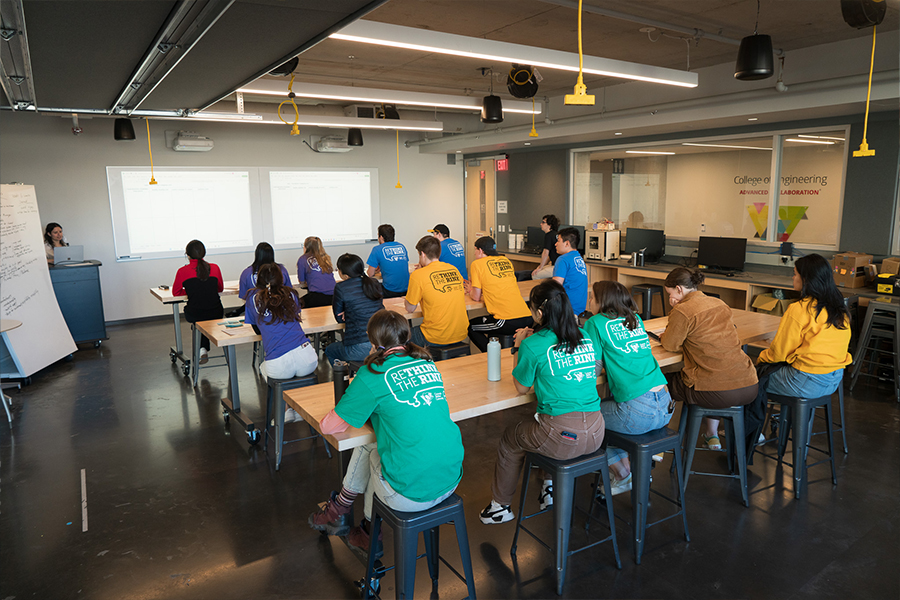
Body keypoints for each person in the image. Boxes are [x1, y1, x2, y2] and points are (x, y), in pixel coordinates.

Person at [308, 310, 464, 555]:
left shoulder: (372, 374)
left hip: (411, 493)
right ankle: (345, 512)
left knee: (371, 449)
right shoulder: (426, 362)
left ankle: (365, 528)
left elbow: (329, 426)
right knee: (382, 443)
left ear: (372, 342)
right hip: (451, 478)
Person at [480, 279, 605, 524]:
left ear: (539, 313)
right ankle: (548, 486)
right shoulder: (585, 336)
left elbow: (521, 387)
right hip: (597, 431)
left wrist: (518, 346)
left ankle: (500, 507)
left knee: (512, 436)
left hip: (562, 437)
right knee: (542, 421)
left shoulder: (533, 344)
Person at [584, 281, 673, 495]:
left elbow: (594, 367)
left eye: (592, 297)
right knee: (610, 412)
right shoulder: (636, 319)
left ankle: (622, 473)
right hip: (665, 406)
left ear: (602, 301)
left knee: (585, 419)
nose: (589, 300)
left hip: (637, 412)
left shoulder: (595, 322)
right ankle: (627, 470)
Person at [660, 267, 758, 450]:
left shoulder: (682, 310)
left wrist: (669, 325)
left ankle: (660, 439)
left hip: (716, 392)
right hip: (749, 386)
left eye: (669, 293)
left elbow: (670, 345)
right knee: (714, 371)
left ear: (679, 289)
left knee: (661, 382)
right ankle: (711, 434)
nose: (669, 297)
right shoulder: (719, 303)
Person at [757, 253, 852, 400]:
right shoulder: (839, 308)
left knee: (748, 380)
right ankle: (790, 421)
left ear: (806, 279)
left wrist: (760, 358)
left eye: (795, 274)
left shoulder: (799, 309)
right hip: (833, 380)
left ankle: (745, 423)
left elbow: (779, 353)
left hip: (806, 382)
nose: (793, 278)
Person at [245, 263, 317, 423]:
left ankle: (286, 411)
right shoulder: (291, 294)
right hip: (307, 357)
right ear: (281, 277)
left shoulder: (252, 298)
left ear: (259, 279)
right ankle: (299, 408)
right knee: (295, 372)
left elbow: (256, 328)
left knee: (264, 368)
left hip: (278, 363)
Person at [466, 236, 533, 352]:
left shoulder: (477, 264)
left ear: (480, 250)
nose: (475, 253)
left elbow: (476, 297)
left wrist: (470, 289)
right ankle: (499, 353)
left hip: (506, 320)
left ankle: (494, 355)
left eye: (475, 250)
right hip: (527, 317)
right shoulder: (506, 260)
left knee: (470, 327)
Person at [405, 235, 468, 348]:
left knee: (401, 336)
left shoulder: (418, 275)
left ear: (422, 254)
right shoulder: (454, 270)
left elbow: (410, 309)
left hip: (435, 336)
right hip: (461, 332)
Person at [325, 253, 385, 365]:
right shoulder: (374, 283)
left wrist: (348, 313)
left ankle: (345, 380)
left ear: (345, 275)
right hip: (383, 342)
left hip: (360, 346)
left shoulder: (341, 287)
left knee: (330, 350)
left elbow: (339, 319)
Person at [173, 240, 224, 365]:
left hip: (195, 313)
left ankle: (202, 349)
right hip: (216, 311)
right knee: (205, 319)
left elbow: (176, 292)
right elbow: (220, 288)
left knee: (199, 322)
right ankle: (203, 349)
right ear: (204, 253)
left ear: (188, 255)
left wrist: (191, 290)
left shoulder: (182, 271)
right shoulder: (215, 268)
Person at [366, 224, 410, 299]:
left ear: (381, 237)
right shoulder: (401, 246)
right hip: (407, 289)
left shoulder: (377, 249)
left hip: (390, 290)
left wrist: (375, 271)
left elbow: (370, 274)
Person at [552, 227, 588, 316]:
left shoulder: (563, 259)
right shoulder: (579, 258)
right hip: (579, 308)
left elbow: (555, 287)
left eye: (558, 241)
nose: (555, 244)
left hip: (566, 309)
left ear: (567, 243)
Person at [297, 236, 335, 308]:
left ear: (305, 247)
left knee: (298, 303)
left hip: (317, 296)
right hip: (334, 295)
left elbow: (301, 281)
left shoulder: (302, 259)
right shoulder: (326, 257)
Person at [531, 214, 559, 280]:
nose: (541, 224)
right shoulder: (556, 234)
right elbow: (550, 255)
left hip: (557, 267)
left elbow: (545, 253)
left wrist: (540, 267)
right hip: (559, 265)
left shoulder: (548, 236)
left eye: (543, 222)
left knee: (535, 275)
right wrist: (541, 266)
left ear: (550, 225)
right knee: (540, 269)